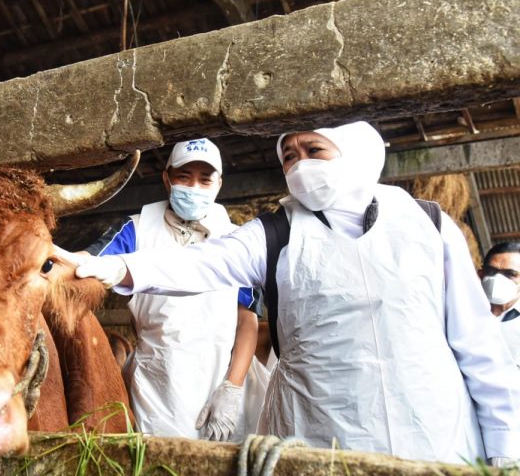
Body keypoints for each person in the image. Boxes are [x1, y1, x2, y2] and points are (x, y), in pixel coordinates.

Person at [74, 122, 520, 466]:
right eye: (289, 155)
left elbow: (477, 343)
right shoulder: (275, 231)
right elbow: (198, 263)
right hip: (313, 424)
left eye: (314, 150)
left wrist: (503, 443)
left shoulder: (428, 222)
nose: (300, 164)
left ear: (353, 152)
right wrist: (109, 265)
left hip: (431, 426)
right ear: (167, 178)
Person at [84, 139, 268, 441]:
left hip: (221, 374)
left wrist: (232, 388)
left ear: (218, 184)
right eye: (184, 177)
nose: (194, 187)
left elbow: (246, 319)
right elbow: (89, 263)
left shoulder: (237, 239)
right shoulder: (136, 229)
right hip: (158, 379)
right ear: (167, 179)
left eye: (205, 179)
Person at [480, 242, 520, 366]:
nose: (498, 278)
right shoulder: (462, 313)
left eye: (510, 274)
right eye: (491, 271)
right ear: (480, 274)